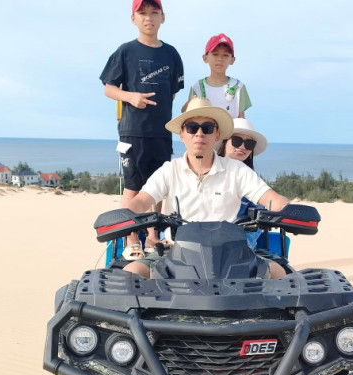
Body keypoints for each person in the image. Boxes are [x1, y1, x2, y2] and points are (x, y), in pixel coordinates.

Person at [123, 97, 289, 279]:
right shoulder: (169, 170)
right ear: (182, 134)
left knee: (278, 273)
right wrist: (126, 213)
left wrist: (285, 208)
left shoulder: (237, 170)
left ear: (217, 135)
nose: (199, 134)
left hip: (233, 255)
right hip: (173, 252)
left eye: (207, 128)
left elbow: (272, 199)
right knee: (131, 273)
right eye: (192, 127)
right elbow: (142, 200)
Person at [100, 0, 184, 260]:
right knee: (133, 186)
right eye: (143, 13)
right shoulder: (125, 51)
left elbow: (172, 93)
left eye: (154, 13)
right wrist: (130, 97)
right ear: (133, 19)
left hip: (162, 131)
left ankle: (152, 236)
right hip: (133, 131)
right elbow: (108, 88)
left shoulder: (171, 54)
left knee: (158, 187)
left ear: (162, 17)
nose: (149, 18)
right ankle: (132, 238)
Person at [217, 117, 268, 248]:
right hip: (198, 245)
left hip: (235, 251)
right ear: (224, 142)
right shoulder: (202, 174)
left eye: (249, 144)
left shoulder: (254, 183)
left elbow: (256, 225)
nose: (242, 147)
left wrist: (240, 247)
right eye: (236, 141)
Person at [182, 33, 251, 118]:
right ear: (205, 58)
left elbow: (241, 120)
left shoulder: (238, 87)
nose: (220, 59)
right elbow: (189, 116)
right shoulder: (197, 87)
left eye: (225, 55)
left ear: (232, 60)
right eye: (215, 54)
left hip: (232, 127)